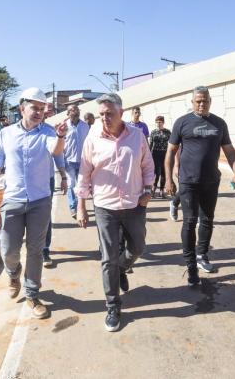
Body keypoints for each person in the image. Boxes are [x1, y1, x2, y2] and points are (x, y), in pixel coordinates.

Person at [0, 87, 67, 320]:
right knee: (9, 250)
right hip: (12, 200)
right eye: (34, 107)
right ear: (22, 108)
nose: (38, 112)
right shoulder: (6, 134)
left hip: (40, 201)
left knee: (35, 250)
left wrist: (60, 137)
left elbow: (56, 150)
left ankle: (32, 294)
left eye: (42, 109)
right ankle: (13, 273)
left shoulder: (48, 132)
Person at [75, 93, 154, 332]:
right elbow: (84, 173)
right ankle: (112, 306)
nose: (105, 118)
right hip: (105, 207)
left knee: (138, 247)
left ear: (121, 112)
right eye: (101, 114)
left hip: (134, 205)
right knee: (108, 258)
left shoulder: (137, 136)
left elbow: (147, 165)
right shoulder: (93, 138)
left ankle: (122, 267)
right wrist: (81, 206)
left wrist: (148, 190)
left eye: (109, 113)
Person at [165, 86, 235, 286]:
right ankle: (191, 265)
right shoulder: (182, 122)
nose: (201, 104)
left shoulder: (219, 123)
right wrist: (168, 179)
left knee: (207, 220)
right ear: (192, 102)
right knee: (190, 221)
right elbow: (171, 152)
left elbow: (229, 151)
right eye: (198, 101)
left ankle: (202, 256)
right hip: (188, 181)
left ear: (210, 101)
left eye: (205, 101)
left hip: (211, 181)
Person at [43, 102, 68, 268]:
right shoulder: (12, 131)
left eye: (45, 109)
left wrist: (64, 177)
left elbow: (57, 155)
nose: (45, 111)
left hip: (47, 180)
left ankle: (44, 249)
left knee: (45, 216)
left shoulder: (50, 131)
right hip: (22, 185)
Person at [63, 104, 90, 218]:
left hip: (82, 160)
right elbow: (60, 142)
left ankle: (80, 207)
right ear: (68, 113)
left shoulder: (85, 126)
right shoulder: (64, 126)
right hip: (68, 160)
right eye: (73, 110)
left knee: (81, 185)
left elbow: (89, 143)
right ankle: (73, 207)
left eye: (77, 109)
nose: (76, 111)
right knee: (71, 184)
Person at [149, 116, 171, 198]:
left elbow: (171, 144)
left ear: (163, 122)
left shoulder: (167, 132)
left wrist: (171, 154)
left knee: (164, 172)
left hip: (165, 153)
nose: (158, 123)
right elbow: (151, 144)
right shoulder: (153, 132)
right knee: (157, 173)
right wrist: (148, 155)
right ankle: (154, 189)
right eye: (157, 122)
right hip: (155, 153)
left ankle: (162, 191)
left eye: (160, 122)